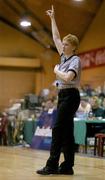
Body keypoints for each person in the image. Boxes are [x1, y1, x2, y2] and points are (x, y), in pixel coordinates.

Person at [36, 5, 81, 175]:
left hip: (71, 96)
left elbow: (68, 78)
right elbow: (55, 36)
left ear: (73, 47)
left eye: (66, 44)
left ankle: (52, 164)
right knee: (67, 131)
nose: (62, 45)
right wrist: (53, 18)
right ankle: (68, 166)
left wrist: (56, 71)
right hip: (63, 95)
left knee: (57, 128)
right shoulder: (63, 57)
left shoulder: (75, 60)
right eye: (63, 43)